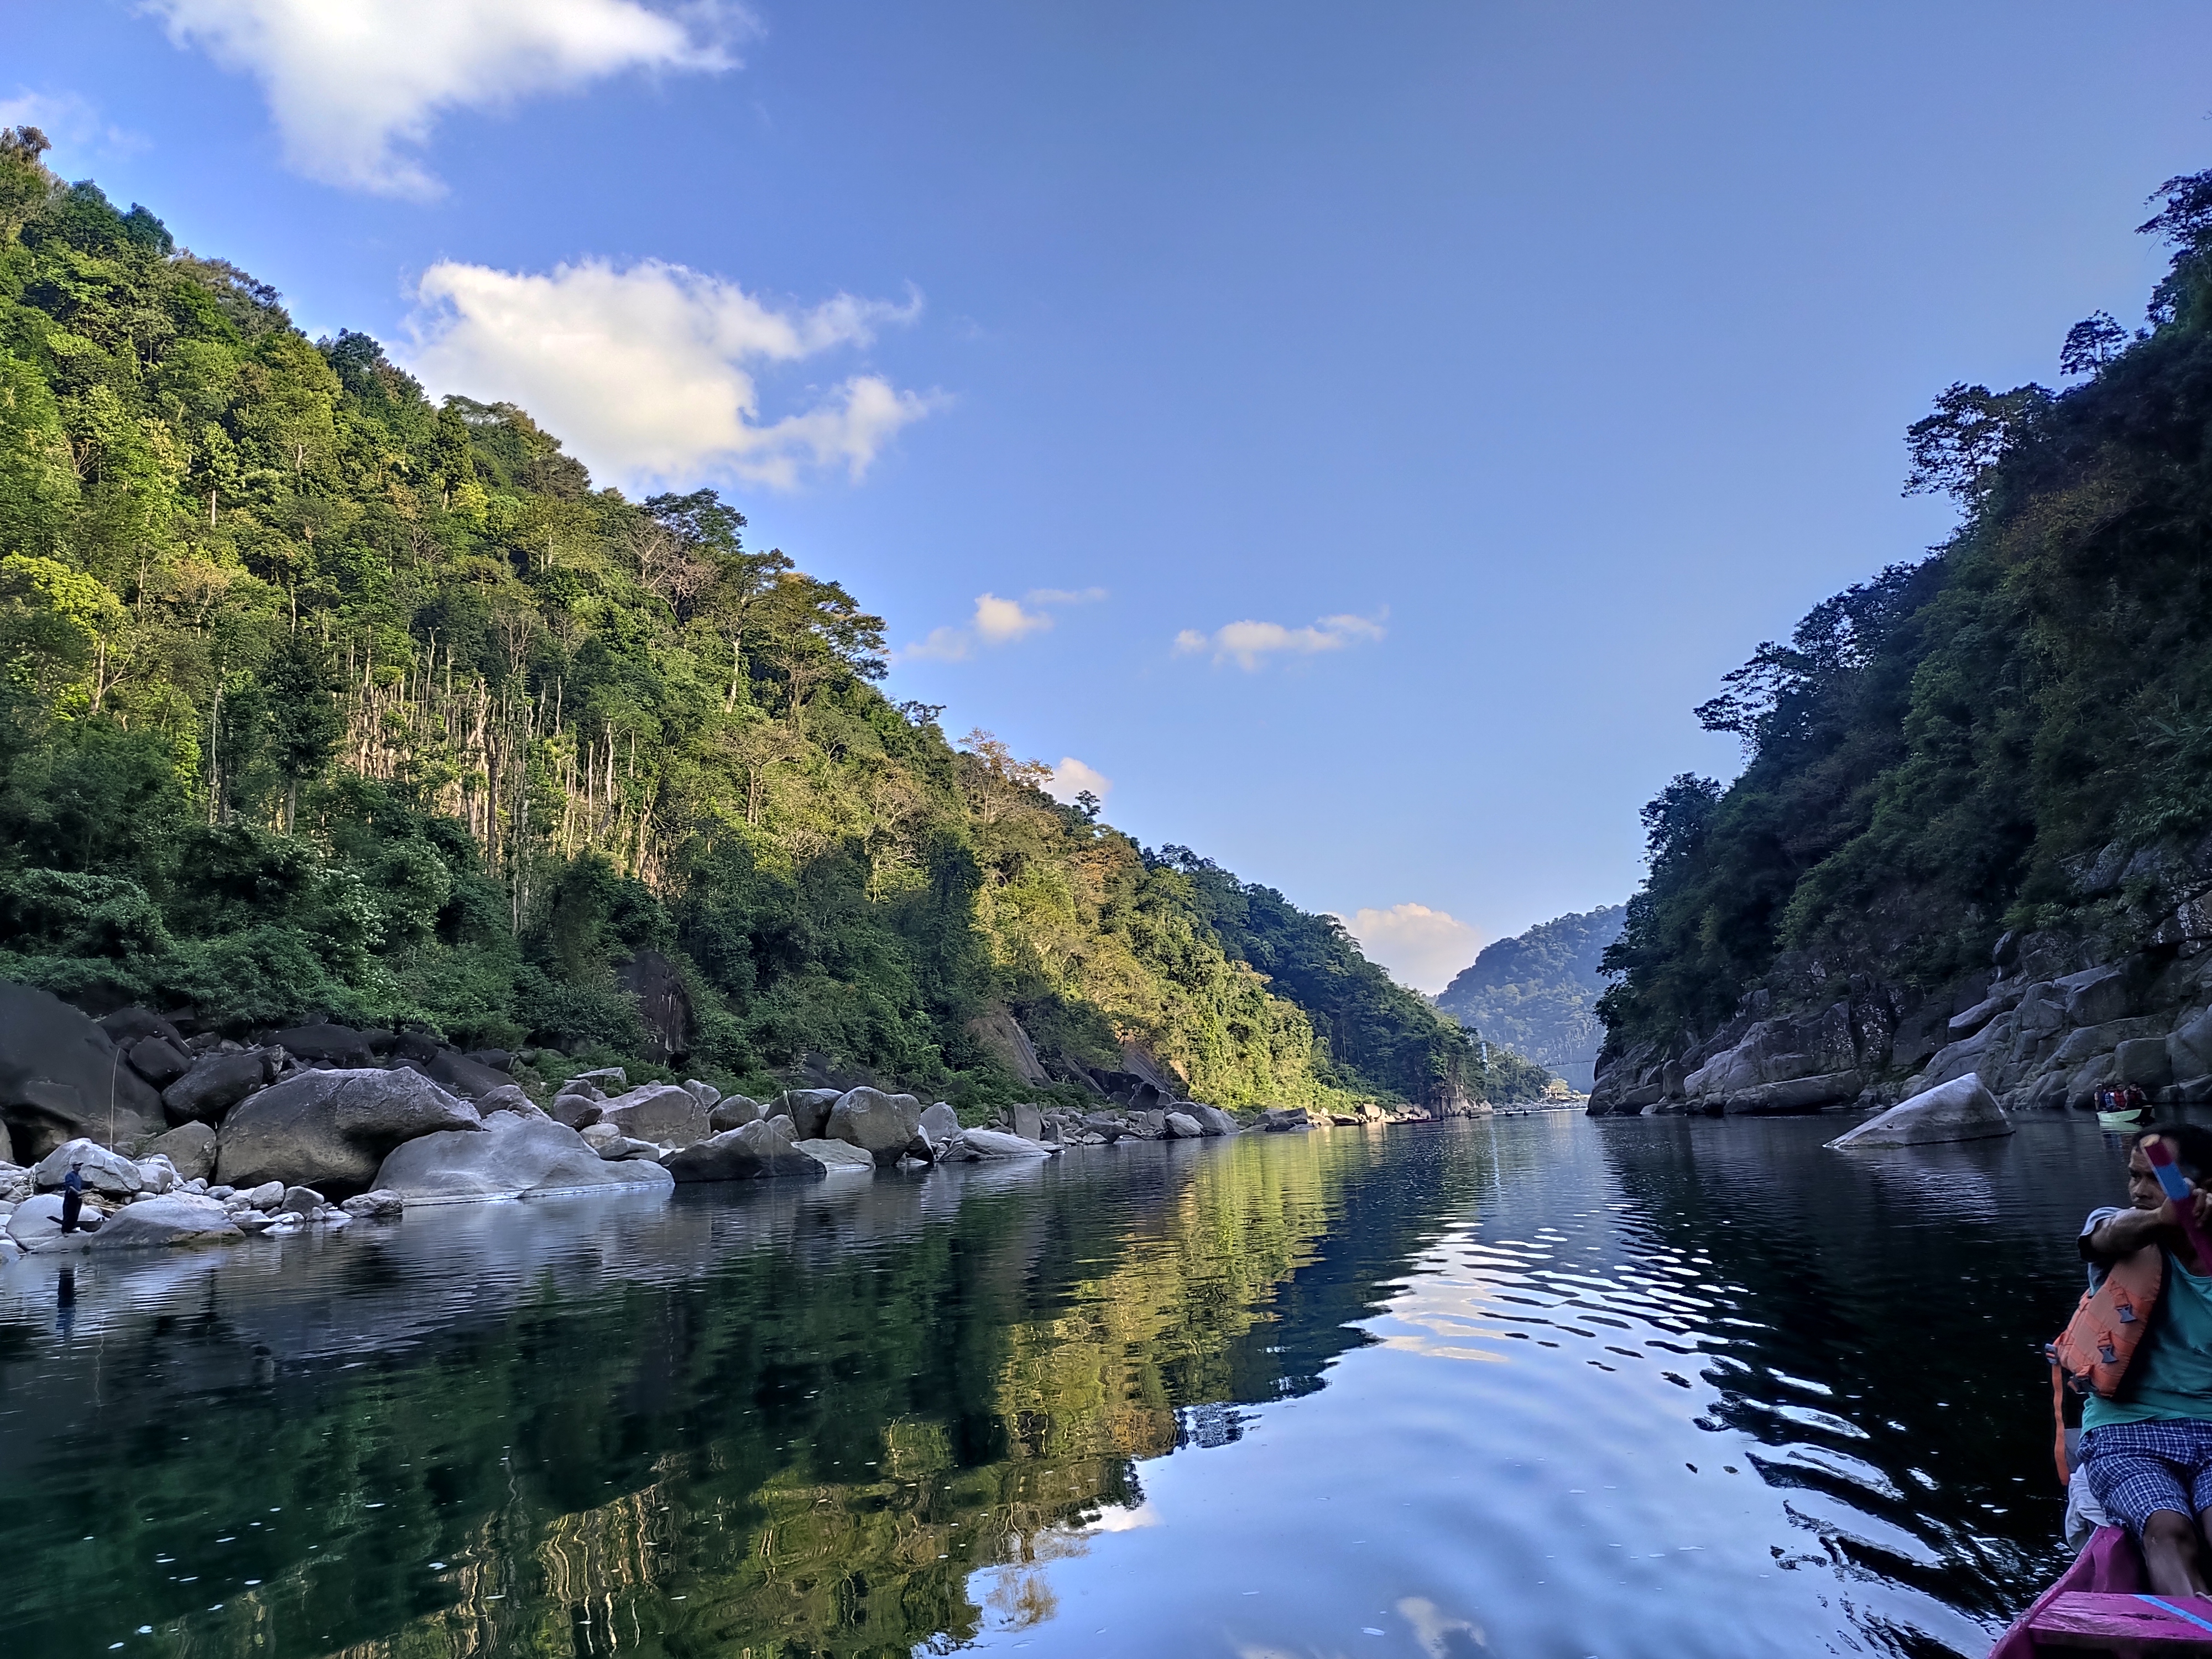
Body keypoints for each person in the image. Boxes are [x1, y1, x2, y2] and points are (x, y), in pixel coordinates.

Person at [2078, 1124, 2212, 1593]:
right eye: (2133, 1176)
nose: (2137, 1190)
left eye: (2154, 1179)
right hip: (2127, 1430)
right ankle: (2196, 1638)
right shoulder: (2119, 1228)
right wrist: (2162, 1216)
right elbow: (2103, 1238)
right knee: (2168, 1529)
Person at [58, 1157, 85, 1235]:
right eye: (78, 1165)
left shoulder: (79, 1177)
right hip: (71, 1196)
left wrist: (80, 1193)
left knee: (75, 1213)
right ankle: (65, 1230)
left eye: (80, 1165)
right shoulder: (69, 1175)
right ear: (74, 1166)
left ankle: (72, 1228)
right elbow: (70, 1186)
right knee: (68, 1213)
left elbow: (79, 1186)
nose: (79, 1167)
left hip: (77, 1196)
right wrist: (77, 1192)